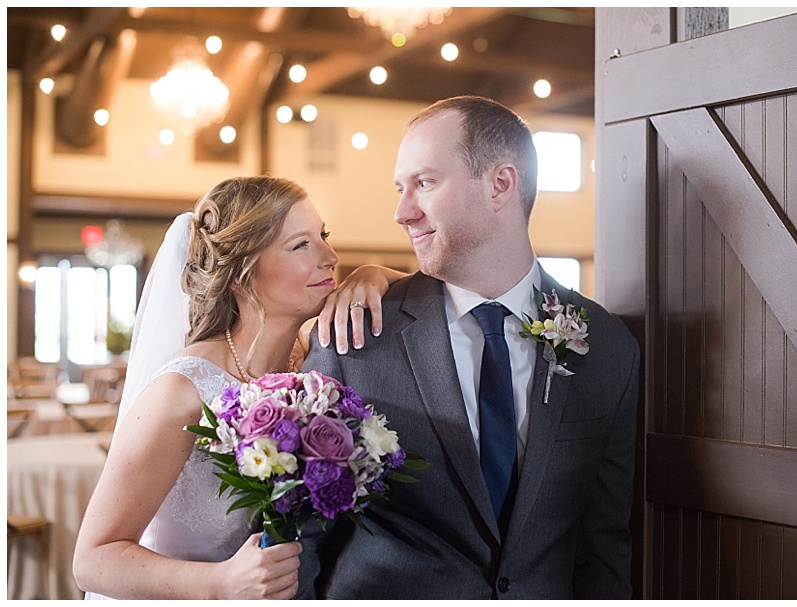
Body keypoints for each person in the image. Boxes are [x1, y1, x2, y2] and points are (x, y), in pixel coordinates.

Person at [301, 96, 640, 599]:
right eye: (401, 187)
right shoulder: (357, 334)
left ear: (501, 184)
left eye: (425, 182)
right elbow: (302, 532)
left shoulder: (606, 346)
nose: (402, 212)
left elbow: (604, 545)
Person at [71, 176, 402, 599]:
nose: (331, 256)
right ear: (242, 275)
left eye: (323, 236)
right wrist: (221, 583)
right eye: (302, 245)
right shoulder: (183, 390)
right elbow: (92, 560)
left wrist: (375, 274)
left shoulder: (316, 364)